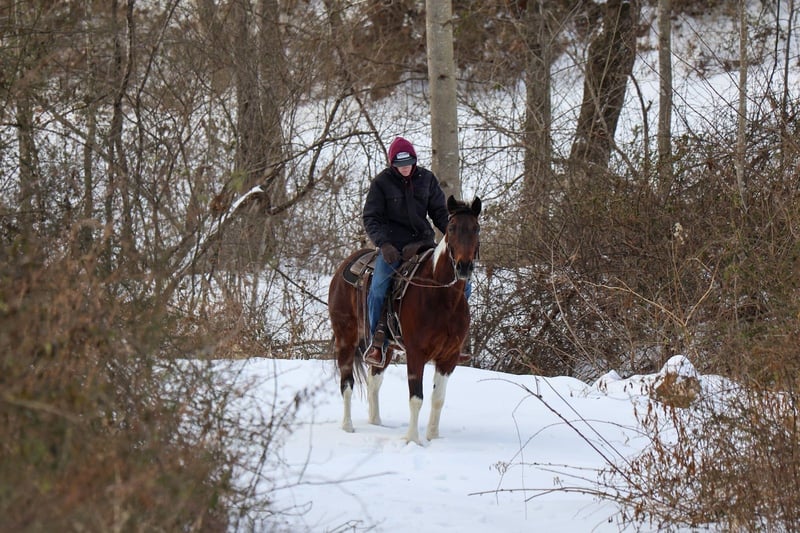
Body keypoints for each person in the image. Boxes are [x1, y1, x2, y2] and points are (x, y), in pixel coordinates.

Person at [362, 137, 470, 366]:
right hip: (393, 248)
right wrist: (384, 244)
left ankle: (452, 339)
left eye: (409, 163)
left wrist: (455, 235)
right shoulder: (381, 183)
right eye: (400, 164)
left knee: (464, 284)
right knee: (378, 287)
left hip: (423, 244)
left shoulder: (426, 179)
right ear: (392, 164)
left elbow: (439, 213)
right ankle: (377, 342)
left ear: (414, 160)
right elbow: (371, 218)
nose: (405, 168)